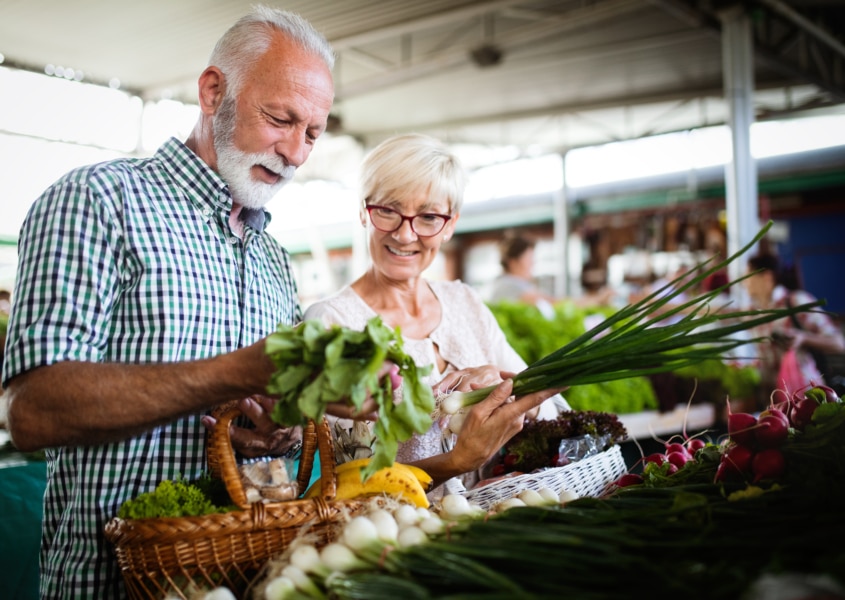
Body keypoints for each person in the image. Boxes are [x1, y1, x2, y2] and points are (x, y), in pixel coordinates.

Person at [0, 10, 558, 597]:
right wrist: (239, 370)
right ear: (213, 91)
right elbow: (32, 413)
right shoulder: (98, 201)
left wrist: (281, 428)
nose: (294, 151)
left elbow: (280, 434)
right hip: (113, 582)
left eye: (313, 132)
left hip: (257, 580)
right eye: (280, 119)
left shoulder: (271, 257)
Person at [303, 134, 566, 496]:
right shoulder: (331, 322)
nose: (406, 233)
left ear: (450, 225)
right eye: (388, 210)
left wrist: (506, 390)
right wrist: (457, 462)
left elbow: (552, 409)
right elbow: (347, 480)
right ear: (364, 212)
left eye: (428, 217)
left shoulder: (464, 303)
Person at [743, 253, 844, 406]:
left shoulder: (797, 302)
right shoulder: (754, 312)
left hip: (806, 399)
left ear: (766, 277)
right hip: (772, 402)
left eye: (748, 277)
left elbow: (839, 343)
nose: (745, 283)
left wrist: (803, 338)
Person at [489, 231, 613, 318]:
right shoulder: (507, 285)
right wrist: (596, 299)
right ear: (513, 262)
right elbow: (554, 303)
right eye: (529, 259)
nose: (533, 264)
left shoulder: (518, 284)